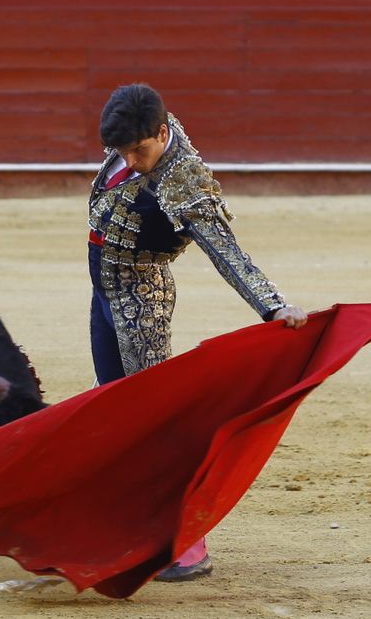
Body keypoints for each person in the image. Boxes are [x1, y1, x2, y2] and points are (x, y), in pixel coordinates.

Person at [86, 83, 306, 582]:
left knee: (153, 423)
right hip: (104, 292)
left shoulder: (185, 182)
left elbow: (226, 251)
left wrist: (272, 307)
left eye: (139, 151)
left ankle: (187, 543)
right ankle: (133, 524)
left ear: (162, 134)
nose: (130, 160)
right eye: (121, 152)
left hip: (140, 301)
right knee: (115, 410)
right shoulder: (140, 129)